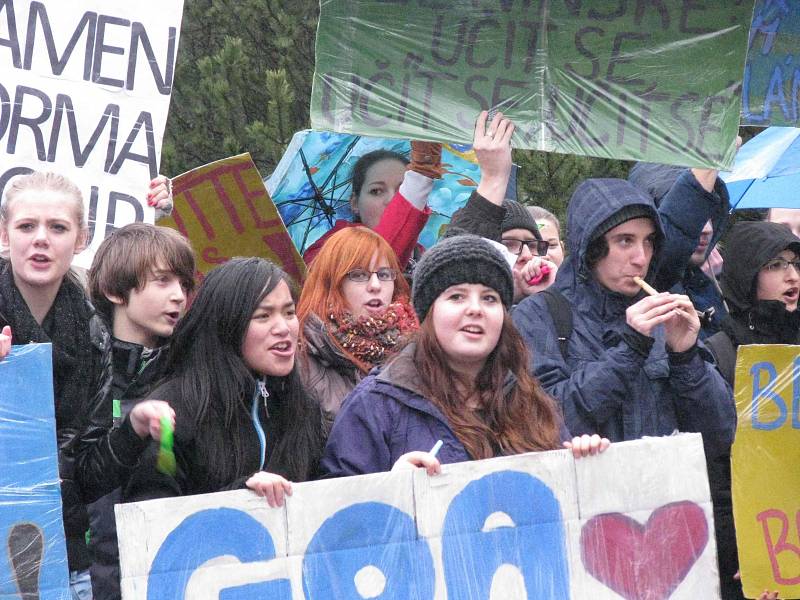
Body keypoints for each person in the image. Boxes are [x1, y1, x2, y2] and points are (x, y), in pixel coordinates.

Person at [0, 171, 173, 600]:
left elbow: (86, 479)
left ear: (81, 239)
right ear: (4, 235)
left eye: (58, 227)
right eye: (27, 226)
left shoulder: (94, 336)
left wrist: (133, 430)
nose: (41, 238)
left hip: (61, 562)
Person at [321, 235, 608, 479]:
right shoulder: (376, 404)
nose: (475, 309)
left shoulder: (530, 400)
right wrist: (392, 490)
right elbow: (341, 524)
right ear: (428, 313)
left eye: (489, 298)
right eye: (457, 297)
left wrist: (582, 463)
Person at [512, 176, 735, 475]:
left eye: (649, 241)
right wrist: (630, 350)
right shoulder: (539, 315)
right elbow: (542, 422)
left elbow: (719, 436)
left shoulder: (664, 313)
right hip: (583, 502)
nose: (640, 258)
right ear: (591, 246)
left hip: (664, 501)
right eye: (625, 241)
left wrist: (686, 356)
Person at [123, 257, 325, 508]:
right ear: (227, 326)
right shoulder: (171, 410)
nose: (283, 328)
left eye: (289, 313)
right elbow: (149, 518)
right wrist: (242, 497)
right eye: (263, 316)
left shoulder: (304, 408)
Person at [86, 223, 196, 600]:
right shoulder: (75, 372)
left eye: (184, 284)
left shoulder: (190, 377)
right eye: (162, 281)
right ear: (114, 290)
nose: (178, 296)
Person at [704, 221, 800, 600]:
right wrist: (743, 552)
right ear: (747, 274)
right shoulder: (720, 353)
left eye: (795, 263)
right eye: (775, 265)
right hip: (756, 547)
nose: (791, 275)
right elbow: (720, 470)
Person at [297, 226, 418, 426]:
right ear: (333, 283)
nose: (375, 285)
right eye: (359, 275)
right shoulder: (303, 360)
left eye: (384, 274)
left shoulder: (416, 345)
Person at [447, 112, 557, 301]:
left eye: (532, 246)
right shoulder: (469, 319)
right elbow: (449, 269)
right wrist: (493, 178)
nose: (527, 256)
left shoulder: (556, 311)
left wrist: (547, 301)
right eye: (509, 245)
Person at [628, 161, 731, 338]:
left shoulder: (709, 285)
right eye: (691, 214)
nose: (706, 229)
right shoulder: (636, 292)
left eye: (710, 214)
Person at [303, 141, 443, 270]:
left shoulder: (430, 259)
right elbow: (378, 261)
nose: (392, 200)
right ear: (355, 203)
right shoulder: (326, 253)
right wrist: (421, 174)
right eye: (376, 191)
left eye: (402, 191)